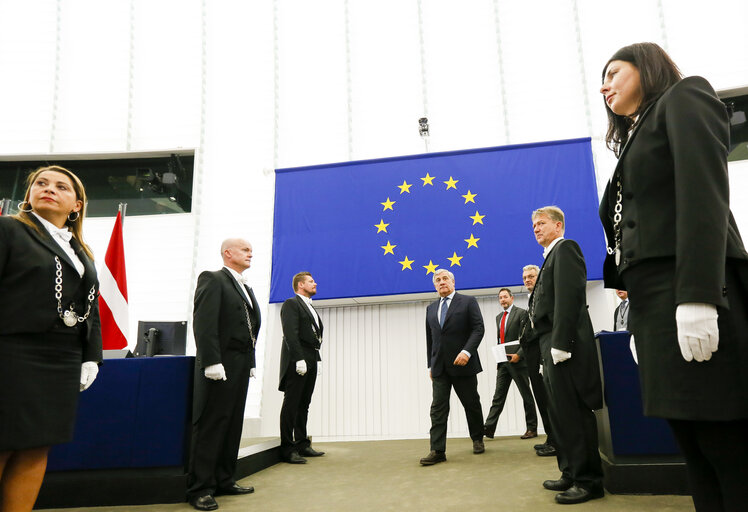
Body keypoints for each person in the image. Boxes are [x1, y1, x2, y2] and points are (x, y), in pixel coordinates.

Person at [599, 42, 748, 512]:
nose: (604, 84)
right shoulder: (633, 138)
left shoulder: (685, 97)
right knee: (693, 448)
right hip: (654, 305)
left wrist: (700, 295)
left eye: (614, 72)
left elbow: (705, 194)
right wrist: (641, 319)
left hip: (694, 288)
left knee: (726, 445)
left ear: (646, 66)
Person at [0, 165, 102, 512]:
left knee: (37, 446)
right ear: (28, 196)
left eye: (61, 186)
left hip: (61, 359)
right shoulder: (8, 230)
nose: (49, 189)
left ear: (76, 205)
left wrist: (92, 355)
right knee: (3, 444)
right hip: (12, 352)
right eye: (41, 184)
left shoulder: (82, 251)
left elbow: (91, 307)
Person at [528, 206, 604, 505]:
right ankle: (570, 471)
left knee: (574, 413)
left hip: (564, 344)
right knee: (560, 415)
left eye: (542, 223)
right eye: (534, 225)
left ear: (558, 226)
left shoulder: (566, 249)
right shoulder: (548, 259)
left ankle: (589, 481)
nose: (536, 228)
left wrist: (561, 343)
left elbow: (570, 298)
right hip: (550, 343)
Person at [188, 239, 261, 511]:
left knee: (231, 424)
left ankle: (224, 478)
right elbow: (204, 322)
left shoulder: (245, 287)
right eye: (245, 249)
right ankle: (201, 488)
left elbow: (250, 328)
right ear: (228, 253)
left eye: (251, 250)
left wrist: (250, 361)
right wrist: (211, 361)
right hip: (220, 363)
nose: (250, 253)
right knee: (212, 424)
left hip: (240, 364)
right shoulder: (213, 279)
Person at [420, 269, 485, 465]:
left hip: (463, 364)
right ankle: (437, 450)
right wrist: (430, 365)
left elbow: (478, 328)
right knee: (438, 408)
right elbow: (430, 339)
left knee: (471, 404)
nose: (441, 282)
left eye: (445, 279)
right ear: (434, 285)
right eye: (437, 280)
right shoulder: (430, 309)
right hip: (440, 368)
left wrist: (467, 352)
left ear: (453, 282)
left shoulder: (467, 302)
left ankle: (477, 439)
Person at [279, 272, 326, 464]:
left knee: (304, 403)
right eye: (311, 281)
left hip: (311, 357)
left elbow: (314, 337)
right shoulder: (291, 304)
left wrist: (317, 358)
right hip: (296, 358)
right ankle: (287, 448)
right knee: (292, 403)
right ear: (300, 285)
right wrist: (299, 359)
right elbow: (291, 333)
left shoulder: (310, 307)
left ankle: (302, 443)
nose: (315, 283)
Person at [483, 288, 538, 440]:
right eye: (500, 298)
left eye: (505, 297)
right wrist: (498, 358)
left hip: (518, 362)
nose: (503, 300)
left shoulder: (522, 313)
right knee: (498, 396)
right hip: (503, 363)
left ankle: (532, 428)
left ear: (512, 298)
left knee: (526, 395)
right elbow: (500, 341)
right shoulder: (498, 317)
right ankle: (489, 428)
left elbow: (527, 337)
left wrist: (519, 355)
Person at [519, 264, 557, 457]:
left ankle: (556, 441)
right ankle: (551, 438)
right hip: (532, 359)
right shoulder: (531, 300)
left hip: (543, 356)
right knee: (541, 400)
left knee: (549, 401)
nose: (527, 279)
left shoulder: (544, 297)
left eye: (531, 276)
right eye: (525, 277)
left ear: (539, 277)